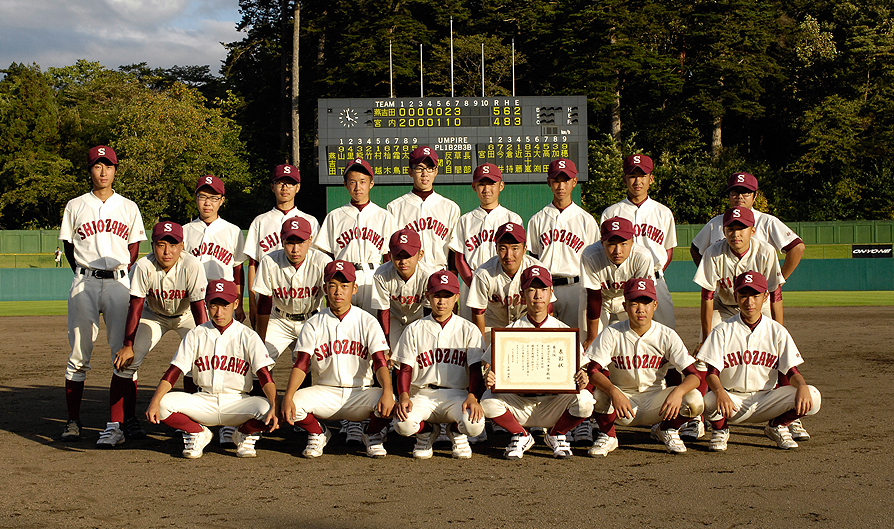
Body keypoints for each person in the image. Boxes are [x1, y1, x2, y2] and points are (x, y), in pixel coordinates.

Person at [58, 145, 146, 441]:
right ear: (90, 170)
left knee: (123, 354)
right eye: (98, 165)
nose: (103, 171)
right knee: (79, 354)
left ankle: (127, 420)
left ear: (115, 170)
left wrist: (120, 272)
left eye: (108, 165)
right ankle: (72, 421)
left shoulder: (128, 206)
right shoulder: (75, 205)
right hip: (85, 282)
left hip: (120, 282)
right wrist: (84, 272)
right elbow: (69, 247)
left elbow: (134, 247)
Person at [97, 221, 209, 447]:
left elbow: (199, 308)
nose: (167, 251)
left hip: (185, 315)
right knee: (125, 362)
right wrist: (128, 344)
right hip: (154, 314)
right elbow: (136, 306)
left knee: (199, 363)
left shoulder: (192, 264)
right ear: (153, 245)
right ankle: (115, 427)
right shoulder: (143, 266)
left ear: (182, 245)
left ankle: (192, 424)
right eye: (161, 245)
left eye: (173, 244)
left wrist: (205, 342)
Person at [146, 280, 278, 458]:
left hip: (238, 402)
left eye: (225, 305)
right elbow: (174, 371)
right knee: (162, 403)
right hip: (203, 401)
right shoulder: (196, 333)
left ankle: (244, 434)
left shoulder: (248, 336)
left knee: (270, 409)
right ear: (206, 304)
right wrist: (154, 400)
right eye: (213, 305)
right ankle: (197, 432)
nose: (219, 312)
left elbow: (264, 375)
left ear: (236, 304)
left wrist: (275, 405)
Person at [281, 260, 395, 458]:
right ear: (325, 288)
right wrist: (289, 395)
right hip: (326, 393)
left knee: (391, 401)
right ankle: (319, 433)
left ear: (354, 288)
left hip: (361, 393)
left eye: (344, 285)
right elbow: (301, 364)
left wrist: (387, 390)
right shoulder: (314, 323)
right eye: (333, 285)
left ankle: (371, 433)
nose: (338, 291)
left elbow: (380, 362)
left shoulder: (367, 321)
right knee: (292, 403)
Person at [696, 271, 821, 451]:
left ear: (765, 297)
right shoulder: (722, 330)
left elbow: (791, 371)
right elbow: (711, 374)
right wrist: (720, 391)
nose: (749, 302)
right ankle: (720, 429)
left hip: (768, 400)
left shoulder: (777, 331)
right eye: (744, 295)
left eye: (755, 295)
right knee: (707, 400)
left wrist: (801, 385)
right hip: (732, 401)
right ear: (736, 297)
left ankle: (778, 425)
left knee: (813, 396)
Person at [479, 266, 595, 459]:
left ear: (551, 293)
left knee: (585, 400)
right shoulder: (509, 332)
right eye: (531, 289)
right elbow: (488, 367)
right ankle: (521, 435)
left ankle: (556, 434)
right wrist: (489, 375)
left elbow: (582, 370)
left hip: (553, 403)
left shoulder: (564, 332)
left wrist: (583, 377)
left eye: (542, 289)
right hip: (520, 403)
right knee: (488, 400)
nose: (537, 295)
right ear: (523, 295)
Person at [584, 278, 704, 456]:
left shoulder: (667, 334)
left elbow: (694, 375)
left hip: (657, 402)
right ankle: (608, 435)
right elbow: (592, 370)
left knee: (694, 399)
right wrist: (614, 391)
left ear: (655, 305)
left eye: (646, 302)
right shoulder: (612, 332)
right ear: (625, 306)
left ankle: (666, 430)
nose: (641, 309)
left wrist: (678, 392)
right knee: (600, 393)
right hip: (622, 403)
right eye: (634, 303)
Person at [392, 270, 486, 459]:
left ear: (456, 297)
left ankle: (456, 431)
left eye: (447, 295)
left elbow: (476, 369)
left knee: (474, 425)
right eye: (437, 295)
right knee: (402, 423)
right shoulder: (414, 329)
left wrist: (473, 397)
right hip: (423, 394)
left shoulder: (469, 329)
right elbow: (406, 369)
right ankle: (426, 431)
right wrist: (403, 396)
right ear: (428, 296)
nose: (442, 301)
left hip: (457, 394)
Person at [601, 154, 677, 329]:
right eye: (632, 176)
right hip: (621, 286)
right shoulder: (611, 213)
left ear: (650, 179)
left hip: (656, 282)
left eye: (642, 176)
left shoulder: (663, 212)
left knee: (666, 333)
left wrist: (650, 276)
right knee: (618, 338)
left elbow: (668, 251)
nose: (637, 181)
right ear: (625, 179)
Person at [314, 158, 396, 312]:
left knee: (372, 325)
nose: (358, 187)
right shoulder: (335, 216)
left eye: (363, 181)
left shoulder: (383, 216)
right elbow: (325, 256)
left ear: (371, 183)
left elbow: (388, 257)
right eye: (352, 182)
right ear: (345, 184)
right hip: (343, 276)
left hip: (373, 275)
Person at [693, 207, 785, 341]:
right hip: (724, 305)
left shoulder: (766, 252)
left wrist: (779, 337)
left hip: (759, 305)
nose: (735, 234)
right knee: (706, 350)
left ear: (753, 231)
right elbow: (707, 296)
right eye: (730, 229)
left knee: (769, 340)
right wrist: (706, 341)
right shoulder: (713, 253)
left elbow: (775, 294)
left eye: (741, 228)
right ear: (724, 232)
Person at [244, 164, 319, 329]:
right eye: (280, 183)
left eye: (290, 183)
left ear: (298, 187)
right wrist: (252, 302)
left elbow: (317, 262)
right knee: (264, 350)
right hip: (269, 295)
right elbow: (252, 264)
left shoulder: (311, 221)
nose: (285, 188)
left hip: (304, 297)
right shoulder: (260, 222)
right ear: (272, 187)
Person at [526, 158, 598, 329]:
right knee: (544, 338)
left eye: (565, 180)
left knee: (576, 340)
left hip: (575, 287)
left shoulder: (586, 220)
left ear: (574, 182)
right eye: (556, 181)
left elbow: (595, 260)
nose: (560, 186)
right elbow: (534, 258)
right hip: (544, 288)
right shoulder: (537, 219)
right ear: (549, 182)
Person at [253, 218, 331, 365]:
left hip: (311, 319)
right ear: (281, 241)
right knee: (259, 361)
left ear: (310, 240)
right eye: (290, 243)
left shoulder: (322, 261)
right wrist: (260, 342)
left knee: (317, 364)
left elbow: (331, 300)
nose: (295, 249)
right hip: (279, 320)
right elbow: (264, 303)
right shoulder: (269, 261)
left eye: (300, 242)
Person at [449, 163, 522, 319]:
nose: (486, 189)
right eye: (481, 184)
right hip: (472, 283)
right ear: (474, 187)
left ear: (501, 186)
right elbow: (459, 259)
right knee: (473, 336)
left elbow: (519, 255)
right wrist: (474, 284)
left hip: (503, 285)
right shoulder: (465, 220)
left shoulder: (512, 218)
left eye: (491, 183)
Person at [580, 216, 655, 350]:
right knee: (592, 346)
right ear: (602, 242)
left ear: (632, 241)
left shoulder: (642, 256)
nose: (617, 251)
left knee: (634, 343)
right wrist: (592, 338)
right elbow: (594, 297)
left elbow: (641, 298)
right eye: (611, 243)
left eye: (623, 243)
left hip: (629, 300)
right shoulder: (590, 255)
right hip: (599, 299)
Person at [467, 222, 547, 341]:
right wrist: (482, 347)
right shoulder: (484, 273)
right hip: (492, 326)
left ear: (525, 249)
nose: (509, 255)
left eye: (515, 248)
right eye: (503, 248)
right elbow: (478, 312)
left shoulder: (537, 269)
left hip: (527, 326)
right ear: (496, 249)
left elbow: (548, 309)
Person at [183, 175, 247, 323]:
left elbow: (238, 269)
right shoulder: (184, 231)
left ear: (222, 200)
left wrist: (239, 304)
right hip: (192, 295)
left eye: (213, 198)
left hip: (223, 296)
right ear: (196, 197)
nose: (207, 202)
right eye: (203, 196)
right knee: (195, 341)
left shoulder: (233, 231)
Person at [387, 146, 460, 270]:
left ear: (436, 171)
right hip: (409, 275)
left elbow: (454, 250)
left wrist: (451, 277)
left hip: (440, 273)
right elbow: (390, 251)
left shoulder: (450, 207)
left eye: (430, 168)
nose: (425, 173)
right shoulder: (395, 207)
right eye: (420, 168)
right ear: (410, 171)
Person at [370, 229, 438, 349]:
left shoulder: (428, 275)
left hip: (419, 317)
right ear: (390, 255)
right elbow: (383, 311)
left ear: (420, 255)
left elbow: (429, 311)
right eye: (398, 256)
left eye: (408, 256)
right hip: (393, 317)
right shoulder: (382, 274)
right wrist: (385, 344)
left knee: (420, 349)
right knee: (393, 355)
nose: (403, 261)